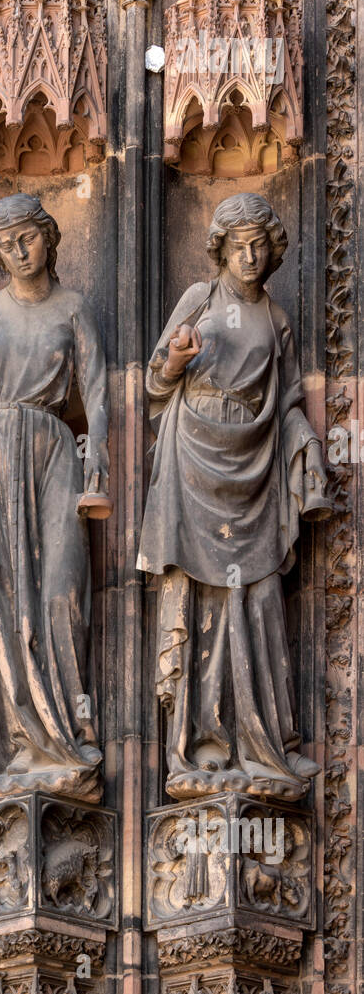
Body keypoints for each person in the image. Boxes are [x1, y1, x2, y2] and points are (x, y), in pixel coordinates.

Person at [137, 192, 329, 801]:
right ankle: (195, 746)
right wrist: (175, 361)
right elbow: (152, 381)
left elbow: (292, 398)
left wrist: (309, 456)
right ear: (220, 248)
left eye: (261, 246)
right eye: (238, 246)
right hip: (194, 452)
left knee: (259, 596)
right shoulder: (201, 298)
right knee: (198, 596)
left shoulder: (275, 318)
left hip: (256, 461)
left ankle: (262, 743)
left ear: (273, 253)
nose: (250, 256)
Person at [0, 193, 109, 802]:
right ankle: (9, 741)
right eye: (5, 243)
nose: (18, 250)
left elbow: (96, 388)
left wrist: (98, 447)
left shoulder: (74, 307)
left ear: (49, 237)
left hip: (53, 443)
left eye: (28, 237)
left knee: (64, 590)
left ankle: (65, 732)